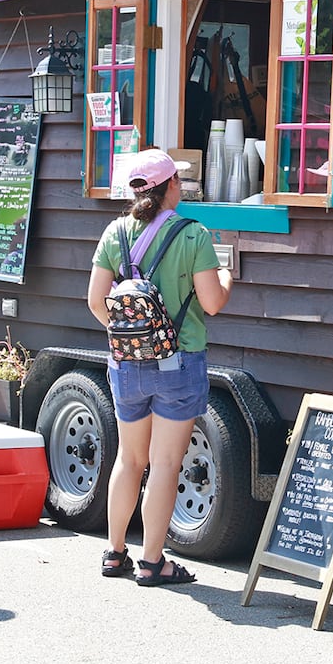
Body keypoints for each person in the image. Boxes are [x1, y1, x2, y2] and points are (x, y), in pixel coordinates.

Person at [87, 148, 231, 586]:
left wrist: (130, 339)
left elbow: (96, 302)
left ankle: (115, 554)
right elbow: (212, 303)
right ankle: (153, 561)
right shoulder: (194, 236)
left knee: (128, 461)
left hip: (126, 366)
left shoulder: (115, 233)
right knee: (165, 464)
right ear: (171, 186)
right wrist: (227, 277)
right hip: (179, 363)